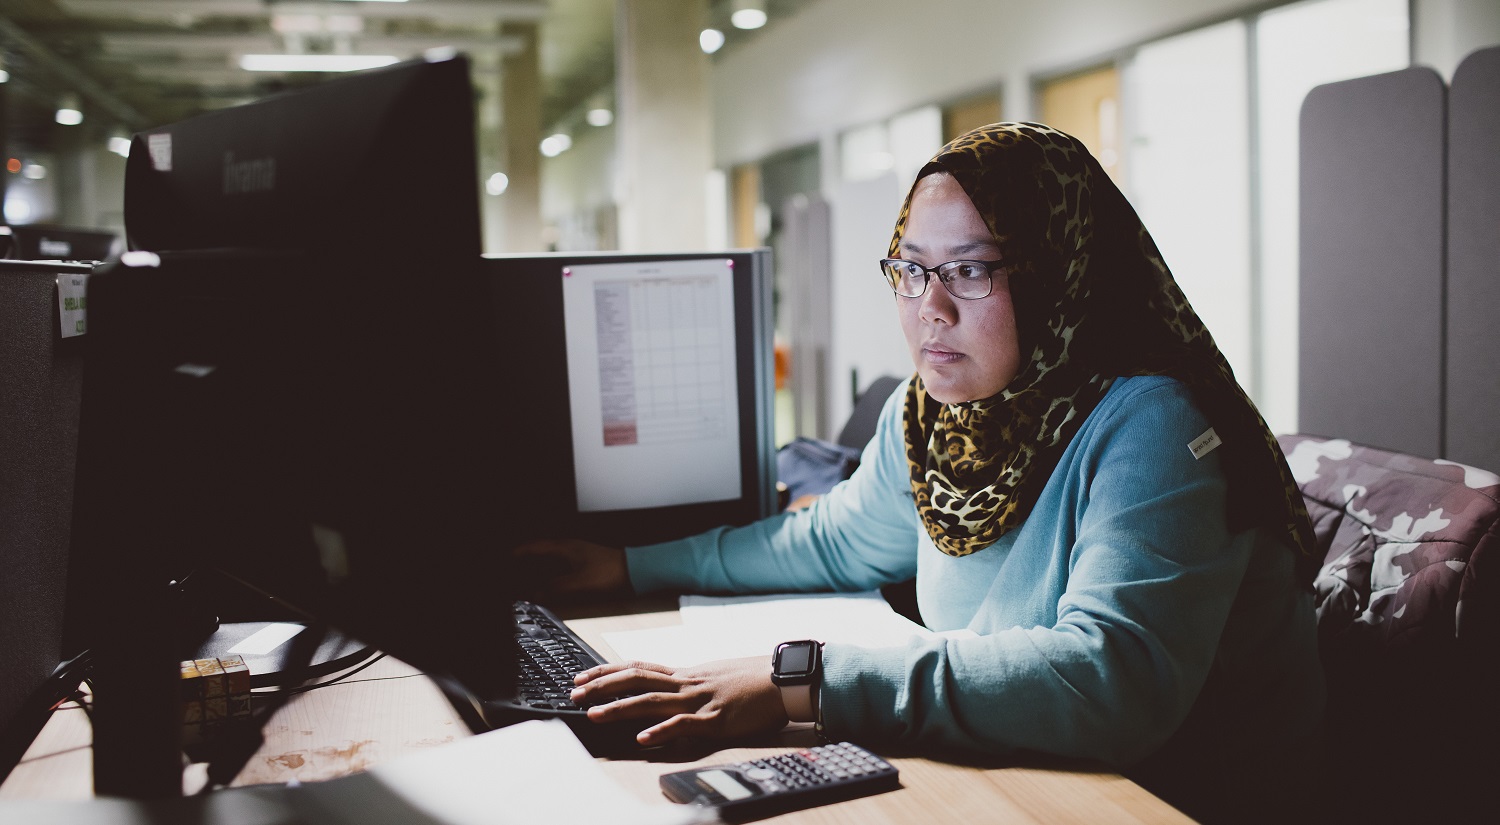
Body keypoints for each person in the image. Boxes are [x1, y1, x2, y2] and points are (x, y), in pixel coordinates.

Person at [517, 122, 1324, 823]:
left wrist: (806, 678)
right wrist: (628, 564)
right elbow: (834, 542)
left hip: (1167, 797)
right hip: (1029, 774)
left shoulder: (1156, 425)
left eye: (972, 270)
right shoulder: (940, 411)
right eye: (911, 268)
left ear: (1058, 273)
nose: (929, 307)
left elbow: (1110, 678)